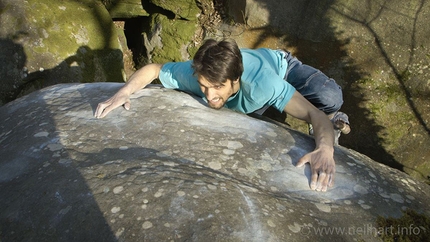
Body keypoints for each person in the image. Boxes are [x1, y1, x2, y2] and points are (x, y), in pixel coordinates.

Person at [95, 38, 350, 192]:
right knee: (257, 118)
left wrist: (325, 150)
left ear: (235, 79)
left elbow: (316, 115)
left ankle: (336, 112)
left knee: (328, 98)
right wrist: (124, 91)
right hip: (251, 91)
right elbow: (153, 69)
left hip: (282, 68)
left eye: (217, 88)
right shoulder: (196, 74)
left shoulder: (264, 84)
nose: (208, 96)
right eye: (204, 86)